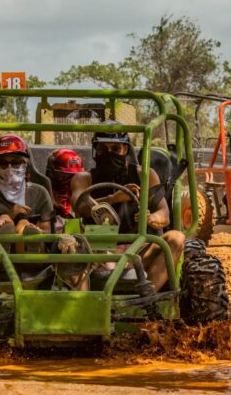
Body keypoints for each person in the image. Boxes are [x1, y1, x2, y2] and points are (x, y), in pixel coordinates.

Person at [69, 122, 184, 292]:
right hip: (98, 250)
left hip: (138, 249)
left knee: (177, 238)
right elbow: (79, 207)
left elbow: (164, 214)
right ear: (96, 151)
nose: (109, 154)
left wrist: (151, 218)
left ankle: (147, 299)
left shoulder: (143, 174)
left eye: (115, 149)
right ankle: (84, 305)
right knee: (67, 246)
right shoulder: (84, 178)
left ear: (125, 150)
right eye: (103, 149)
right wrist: (112, 199)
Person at [0, 135, 53, 265]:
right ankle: (1, 254)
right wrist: (0, 219)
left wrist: (31, 227)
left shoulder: (39, 193)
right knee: (3, 227)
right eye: (3, 163)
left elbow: (47, 232)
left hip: (33, 260)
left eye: (15, 162)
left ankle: (28, 252)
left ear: (25, 165)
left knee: (23, 227)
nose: (9, 168)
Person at [45, 148, 84, 231]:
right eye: (64, 176)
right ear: (51, 173)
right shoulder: (43, 195)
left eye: (74, 176)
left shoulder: (84, 196)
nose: (70, 181)